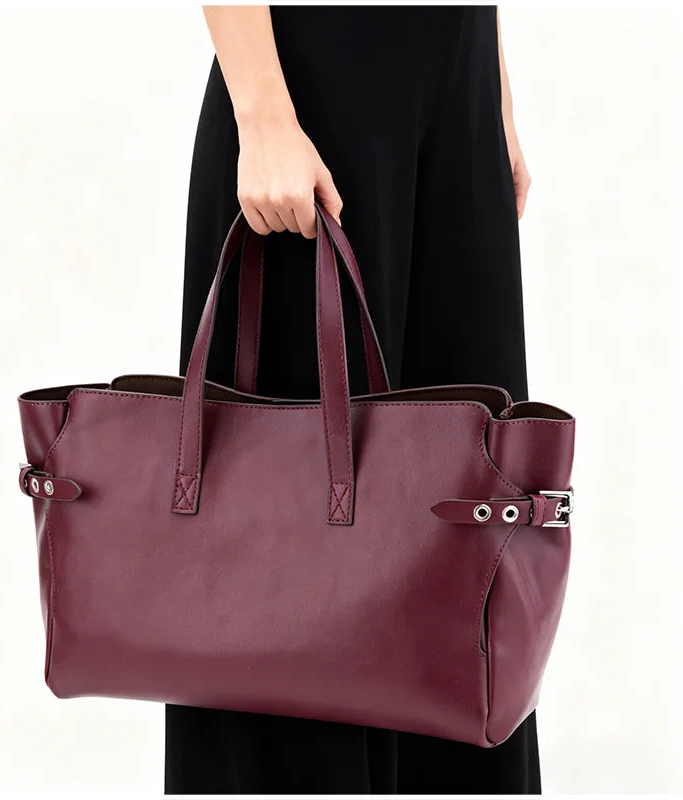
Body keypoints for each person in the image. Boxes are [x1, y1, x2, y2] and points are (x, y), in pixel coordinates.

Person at [166, 5, 536, 794]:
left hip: (459, 76)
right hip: (312, 74)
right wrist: (263, 115)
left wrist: (494, 93)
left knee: (466, 508)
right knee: (286, 524)